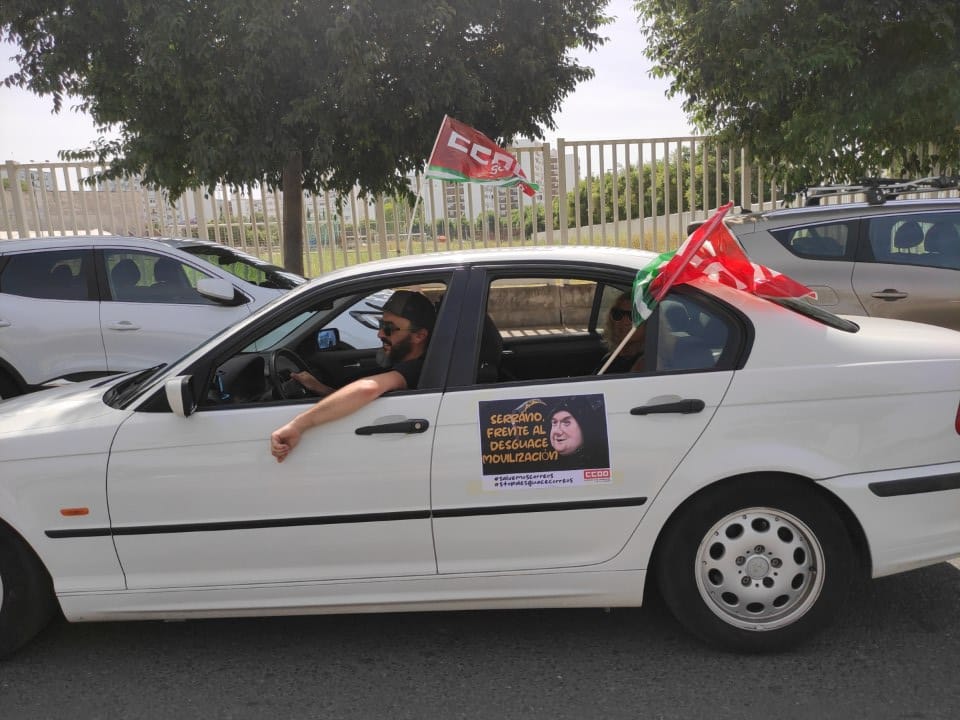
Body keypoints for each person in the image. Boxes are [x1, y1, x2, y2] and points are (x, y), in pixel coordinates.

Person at [270, 290, 436, 463]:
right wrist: (320, 388)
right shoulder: (407, 362)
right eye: (380, 324)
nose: (380, 334)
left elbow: (368, 388)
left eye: (389, 328)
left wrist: (297, 425)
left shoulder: (416, 368)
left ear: (419, 336)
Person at [546, 396, 610, 470]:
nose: (557, 431)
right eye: (554, 422)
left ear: (585, 427)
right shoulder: (547, 467)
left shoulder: (601, 464)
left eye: (566, 422)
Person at [597, 292, 646, 373]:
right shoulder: (610, 358)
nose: (624, 321)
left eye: (633, 316)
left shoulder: (644, 364)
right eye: (618, 314)